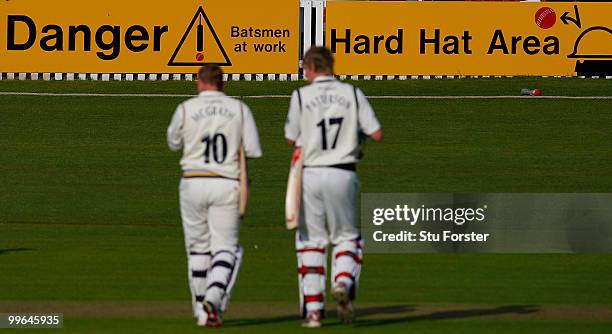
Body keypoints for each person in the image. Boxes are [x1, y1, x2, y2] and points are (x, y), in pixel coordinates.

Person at [284, 46, 383, 328]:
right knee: (347, 237)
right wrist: (356, 135)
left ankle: (314, 311)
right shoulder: (352, 93)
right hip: (343, 172)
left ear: (310, 68)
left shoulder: (301, 96)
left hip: (311, 174)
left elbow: (292, 139)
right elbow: (377, 133)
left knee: (311, 241)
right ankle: (343, 281)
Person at [167, 64, 262, 327]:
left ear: (199, 82)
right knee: (226, 248)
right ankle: (214, 294)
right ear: (223, 83)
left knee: (197, 249)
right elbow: (251, 150)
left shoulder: (186, 108)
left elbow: (173, 143)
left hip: (193, 182)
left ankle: (201, 310)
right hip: (226, 183)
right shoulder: (239, 109)